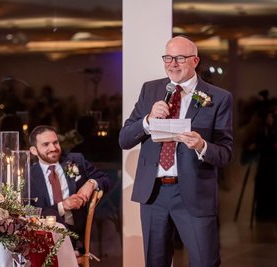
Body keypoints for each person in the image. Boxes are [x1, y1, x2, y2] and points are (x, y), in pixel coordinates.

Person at [119, 36, 233, 267]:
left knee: (204, 261)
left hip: (194, 192)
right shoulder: (151, 90)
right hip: (153, 193)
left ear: (195, 61)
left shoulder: (218, 97)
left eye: (180, 58)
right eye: (168, 58)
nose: (173, 64)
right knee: (156, 262)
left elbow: (224, 153)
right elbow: (124, 139)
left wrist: (202, 145)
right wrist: (148, 120)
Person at [28, 125, 111, 250]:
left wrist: (91, 183)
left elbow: (105, 179)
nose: (53, 148)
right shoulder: (29, 176)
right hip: (44, 237)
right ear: (34, 150)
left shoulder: (75, 160)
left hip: (76, 236)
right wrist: (63, 206)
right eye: (46, 144)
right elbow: (29, 212)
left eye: (55, 142)